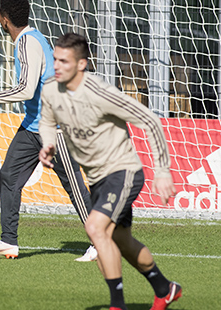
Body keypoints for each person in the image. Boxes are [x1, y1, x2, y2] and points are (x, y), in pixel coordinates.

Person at [38, 32, 181, 310]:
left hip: (123, 170)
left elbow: (150, 121)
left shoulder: (101, 93)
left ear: (81, 64)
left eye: (64, 61)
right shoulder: (51, 89)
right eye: (55, 59)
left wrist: (162, 171)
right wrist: (49, 144)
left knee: (94, 228)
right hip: (97, 178)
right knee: (121, 240)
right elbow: (46, 121)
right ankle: (165, 289)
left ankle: (117, 306)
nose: (56, 65)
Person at [0, 0, 94, 261]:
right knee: (9, 176)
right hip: (32, 127)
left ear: (4, 20)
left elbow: (25, 90)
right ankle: (8, 241)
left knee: (74, 186)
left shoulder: (28, 42)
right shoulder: (31, 38)